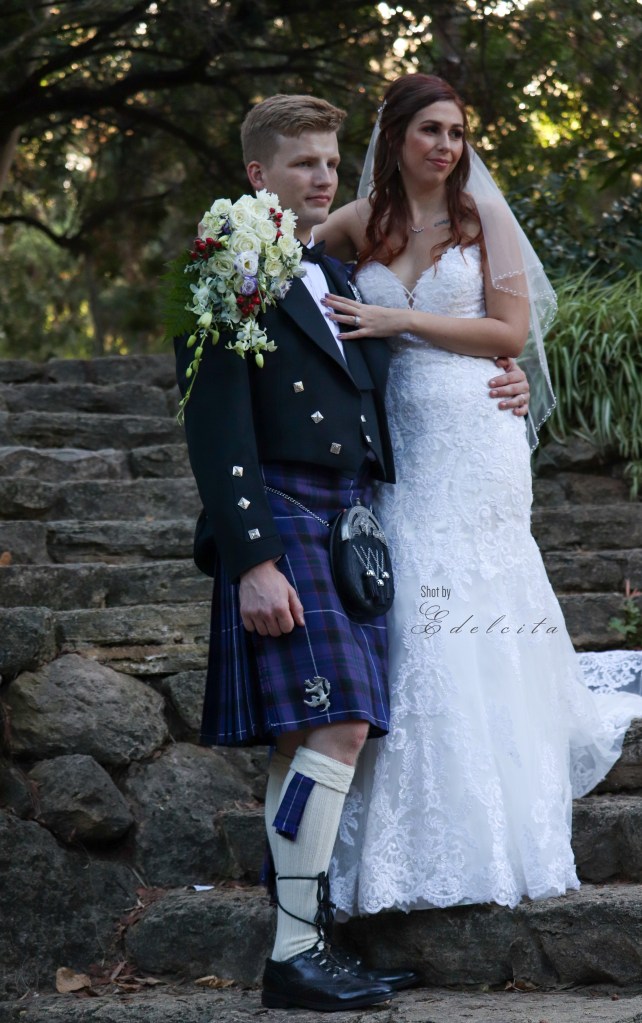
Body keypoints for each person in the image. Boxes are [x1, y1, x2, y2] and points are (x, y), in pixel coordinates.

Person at [174, 92, 530, 1008]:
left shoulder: (329, 269)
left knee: (313, 733)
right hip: (285, 516)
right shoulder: (228, 267)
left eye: (332, 162)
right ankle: (295, 949)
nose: (324, 177)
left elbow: (393, 370)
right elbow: (215, 422)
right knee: (335, 724)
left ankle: (304, 941)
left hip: (348, 518)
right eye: (304, 163)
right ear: (258, 174)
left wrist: (505, 374)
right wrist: (253, 557)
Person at [313, 73, 642, 917]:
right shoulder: (355, 226)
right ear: (395, 136)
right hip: (402, 442)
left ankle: (498, 828)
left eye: (456, 132)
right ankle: (405, 840)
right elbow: (291, 279)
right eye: (430, 129)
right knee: (415, 610)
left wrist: (401, 320)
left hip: (477, 430)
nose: (446, 146)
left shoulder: (482, 217)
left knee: (471, 600)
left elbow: (510, 331)